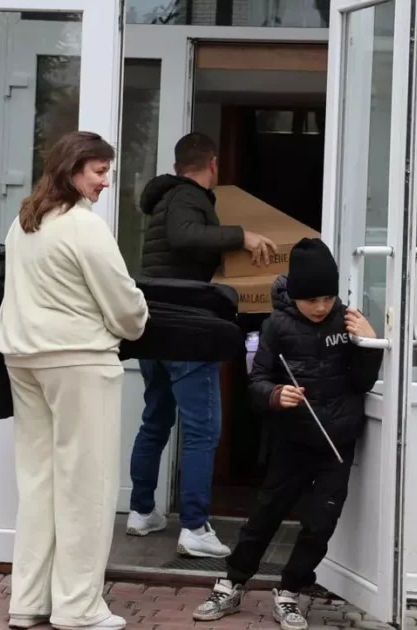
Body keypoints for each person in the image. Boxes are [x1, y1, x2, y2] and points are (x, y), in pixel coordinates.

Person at [0, 131, 149, 630]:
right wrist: (136, 320)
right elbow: (124, 306)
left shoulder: (23, 223)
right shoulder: (84, 226)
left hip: (23, 357)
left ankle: (28, 601)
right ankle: (78, 608)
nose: (105, 182)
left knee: (38, 482)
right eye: (99, 172)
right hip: (78, 359)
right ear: (72, 170)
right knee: (87, 485)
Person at [191, 237, 384, 630]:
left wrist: (369, 342)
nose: (321, 307)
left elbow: (363, 382)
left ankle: (290, 591)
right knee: (266, 515)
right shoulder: (276, 325)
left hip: (337, 441)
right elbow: (256, 381)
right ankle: (231, 583)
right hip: (291, 439)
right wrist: (276, 395)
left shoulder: (347, 320)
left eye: (328, 298)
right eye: (311, 299)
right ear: (295, 294)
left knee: (320, 523)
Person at [126, 132, 277, 558]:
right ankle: (194, 527)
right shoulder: (187, 197)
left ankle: (141, 512)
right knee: (202, 430)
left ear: (178, 164)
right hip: (186, 329)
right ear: (213, 163)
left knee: (156, 419)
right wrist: (242, 236)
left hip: (154, 326)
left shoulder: (165, 198)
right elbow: (185, 236)